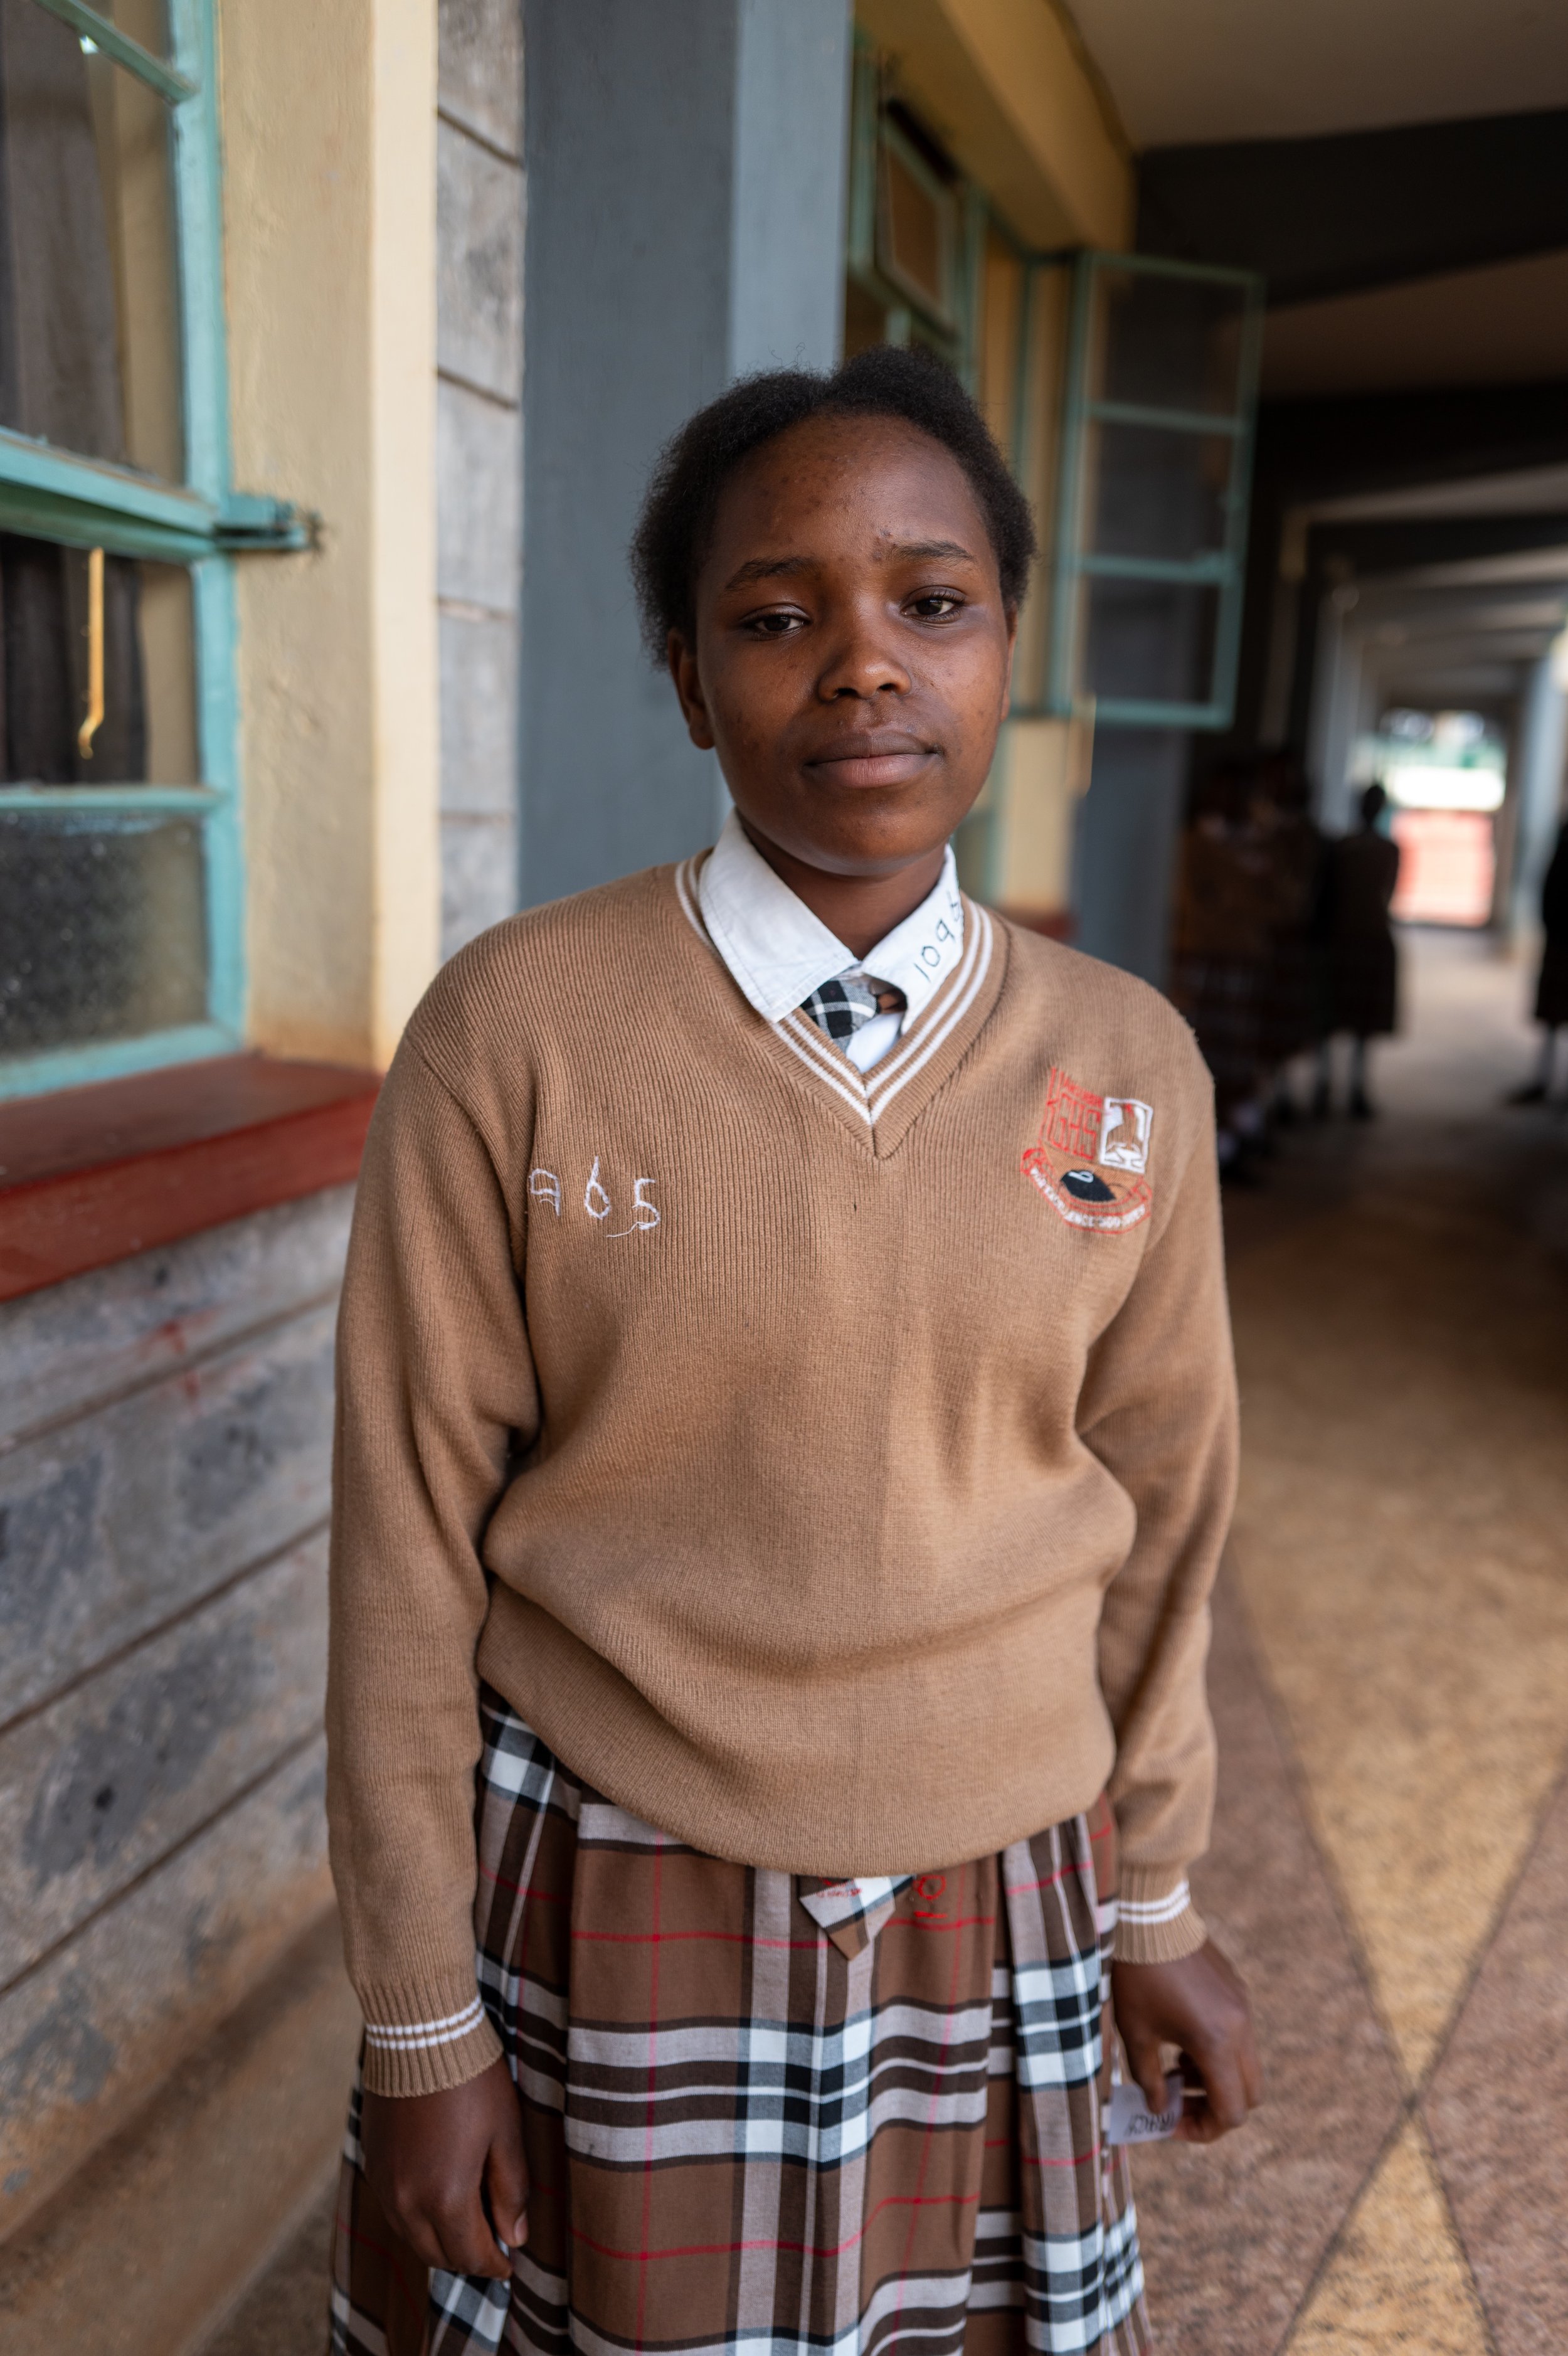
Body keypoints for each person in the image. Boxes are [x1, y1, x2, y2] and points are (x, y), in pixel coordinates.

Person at [325, 347, 1260, 2356]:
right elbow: (405, 1541)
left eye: (929, 602)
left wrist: (1153, 1899)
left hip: (1000, 1880)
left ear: (1007, 646)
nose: (860, 666)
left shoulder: (1120, 1066)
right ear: (683, 675)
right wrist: (420, 2014)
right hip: (608, 1870)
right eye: (775, 616)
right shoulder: (518, 1033)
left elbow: (1168, 1509)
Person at [1315, 781, 1401, 1119]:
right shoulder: (1344, 848)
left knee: (1362, 1024)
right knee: (1331, 1019)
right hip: (1345, 938)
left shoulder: (1379, 849)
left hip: (1366, 937)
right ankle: (1326, 1085)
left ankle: (1355, 1086)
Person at [1508, 817, 1568, 1106]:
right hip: (1559, 938)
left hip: (1559, 938)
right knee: (1552, 1019)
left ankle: (1546, 1083)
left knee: (1554, 1018)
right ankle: (1543, 1081)